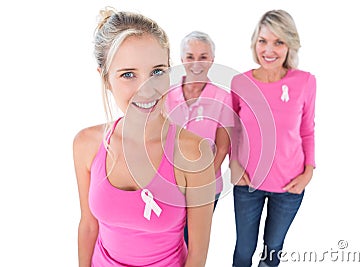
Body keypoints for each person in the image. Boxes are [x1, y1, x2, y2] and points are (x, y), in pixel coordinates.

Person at [73, 7, 215, 267]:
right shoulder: (87, 144)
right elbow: (88, 226)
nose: (146, 89)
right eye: (128, 74)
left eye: (157, 72)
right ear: (105, 78)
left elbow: (197, 254)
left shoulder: (194, 153)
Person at [229, 10, 317, 267]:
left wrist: (309, 171)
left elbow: (307, 130)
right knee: (244, 250)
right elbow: (233, 129)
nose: (269, 49)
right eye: (263, 41)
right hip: (247, 184)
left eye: (278, 42)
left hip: (290, 186)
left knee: (273, 250)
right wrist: (233, 164)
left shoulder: (305, 82)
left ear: (290, 44)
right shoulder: (240, 82)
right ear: (255, 43)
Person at [165, 31, 234, 244]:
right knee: (168, 240)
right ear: (181, 60)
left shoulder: (223, 98)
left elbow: (223, 147)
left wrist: (200, 182)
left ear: (212, 60)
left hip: (206, 187)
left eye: (203, 57)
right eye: (190, 56)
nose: (196, 63)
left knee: (192, 242)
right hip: (169, 184)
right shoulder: (166, 94)